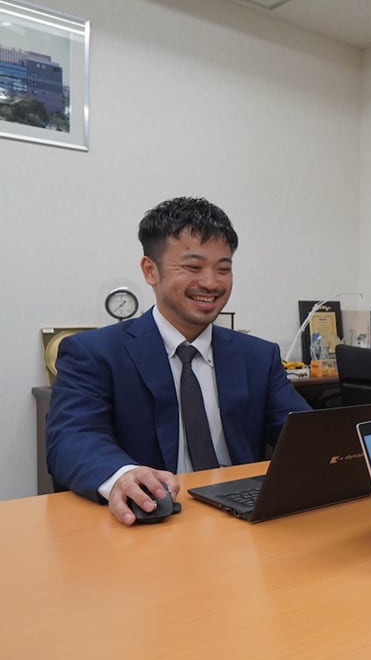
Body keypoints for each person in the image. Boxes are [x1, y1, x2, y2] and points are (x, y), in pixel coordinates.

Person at [46, 197, 310, 526]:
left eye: (223, 268)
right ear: (150, 271)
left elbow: (305, 434)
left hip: (242, 518)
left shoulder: (258, 356)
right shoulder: (94, 353)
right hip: (154, 522)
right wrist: (122, 475)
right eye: (193, 267)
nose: (211, 283)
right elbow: (72, 437)